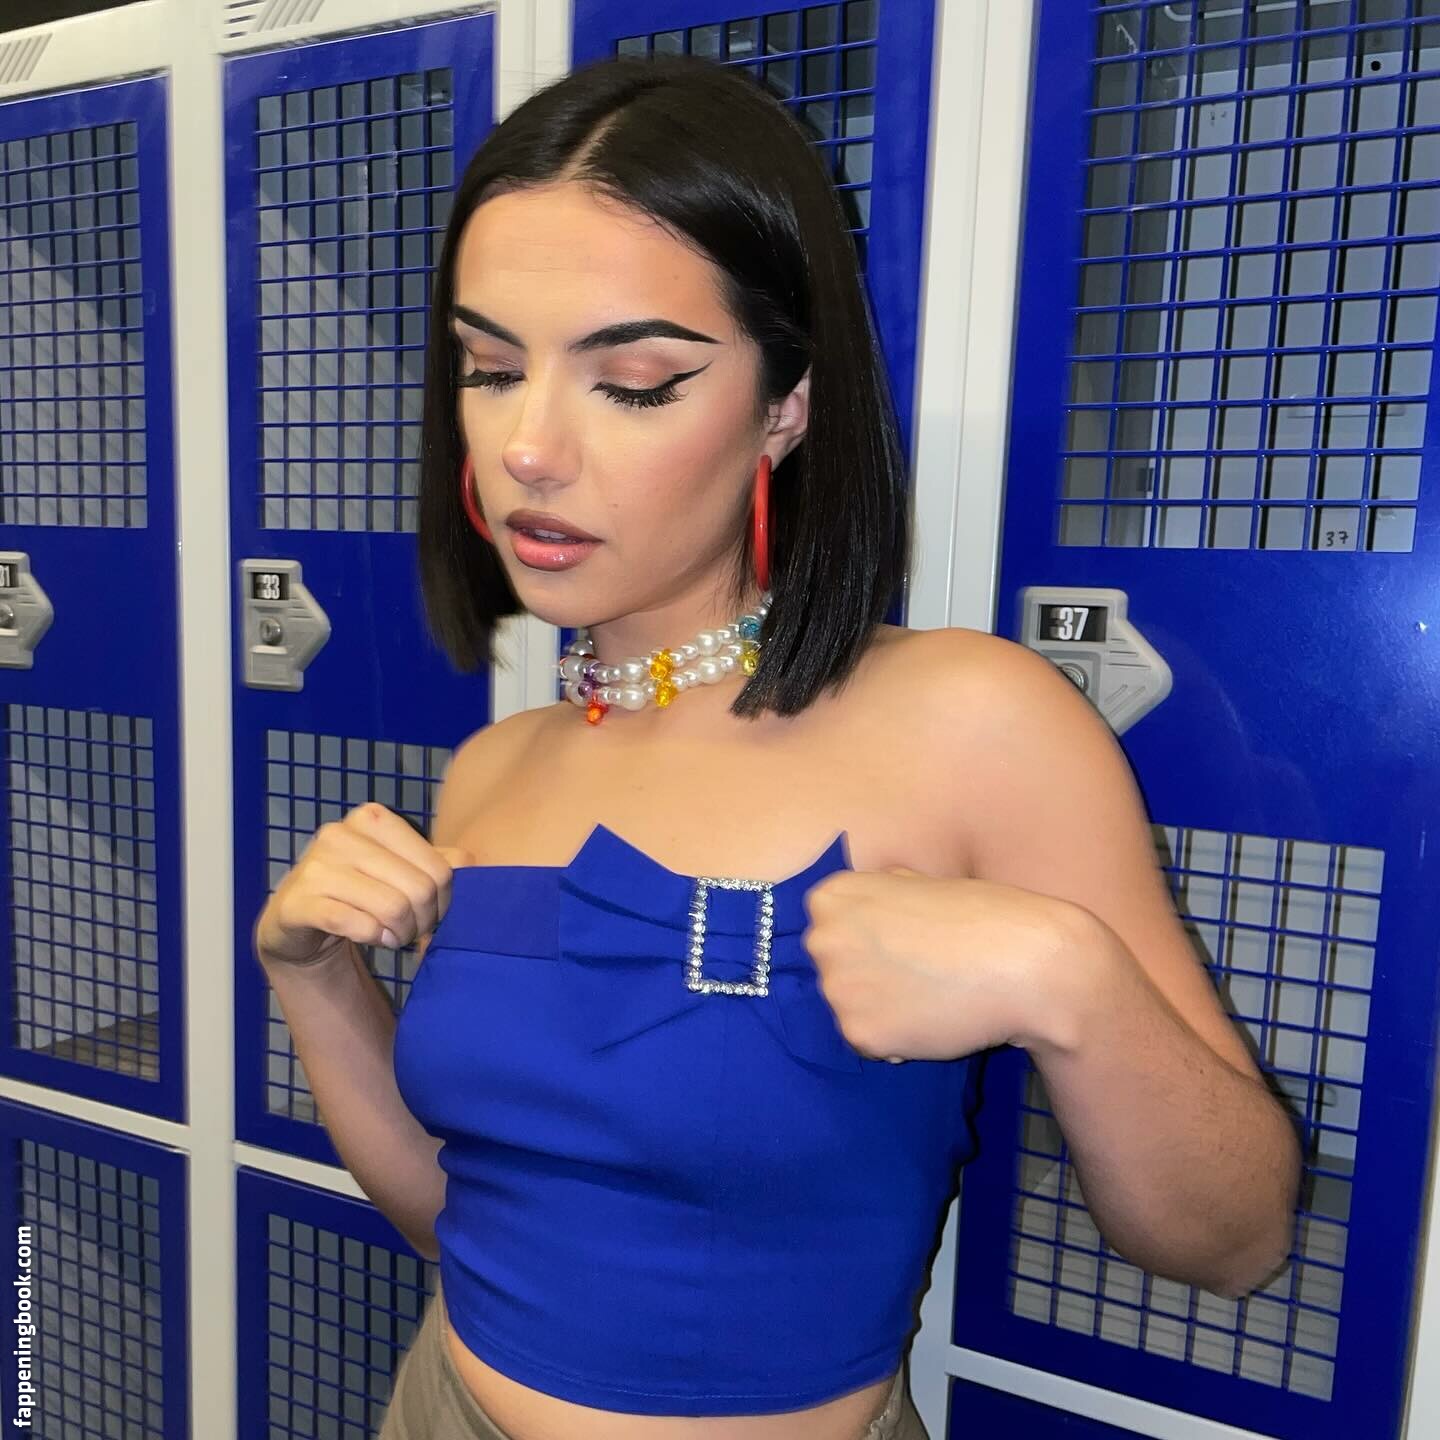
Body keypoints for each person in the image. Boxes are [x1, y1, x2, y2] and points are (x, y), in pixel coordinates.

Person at [253, 52, 1302, 1440]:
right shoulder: (495, 768)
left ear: (785, 408)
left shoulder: (971, 721)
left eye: (634, 383)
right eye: (490, 369)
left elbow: (1232, 1243)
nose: (528, 450)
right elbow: (463, 1226)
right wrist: (314, 980)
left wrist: (1070, 979)